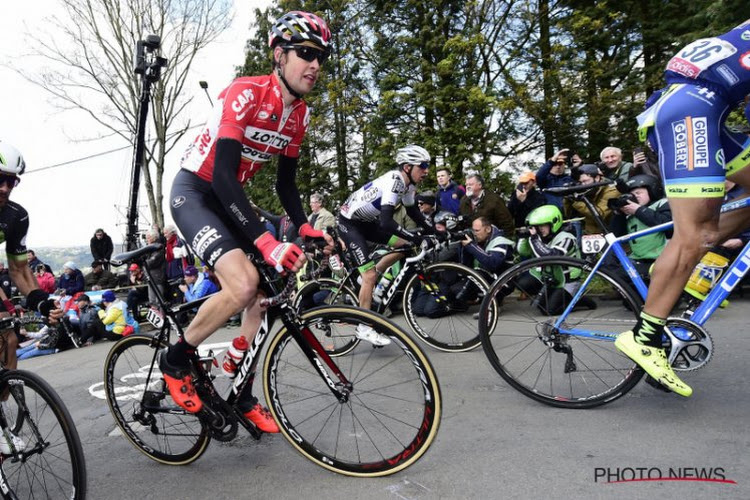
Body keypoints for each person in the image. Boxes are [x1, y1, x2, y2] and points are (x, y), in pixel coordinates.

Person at [161, 11, 335, 431]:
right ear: (279, 54)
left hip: (229, 199)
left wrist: (303, 225)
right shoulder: (245, 93)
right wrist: (265, 240)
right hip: (196, 192)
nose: (315, 65)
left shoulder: (301, 115)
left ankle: (241, 390)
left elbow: (287, 185)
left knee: (267, 293)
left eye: (321, 57)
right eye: (306, 54)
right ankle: (176, 357)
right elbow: (222, 177)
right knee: (242, 284)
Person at [617, 20, 750, 397]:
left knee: (702, 235)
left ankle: (686, 272)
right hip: (691, 111)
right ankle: (645, 336)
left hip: (702, 106)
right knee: (697, 234)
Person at [0, 141, 62, 453]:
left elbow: (19, 270)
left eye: (10, 181)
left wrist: (41, 301)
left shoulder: (15, 216)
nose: (3, 187)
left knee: (8, 339)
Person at [338, 144, 435, 344]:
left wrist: (435, 232)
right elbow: (387, 222)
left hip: (366, 224)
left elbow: (413, 213)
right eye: (422, 166)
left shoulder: (409, 185)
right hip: (349, 224)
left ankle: (367, 281)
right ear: (407, 167)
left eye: (427, 165)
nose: (426, 170)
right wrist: (415, 236)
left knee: (406, 245)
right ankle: (364, 327)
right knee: (370, 275)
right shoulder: (395, 181)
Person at [514, 205, 594, 314]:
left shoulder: (566, 237)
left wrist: (534, 239)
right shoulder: (542, 238)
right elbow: (524, 252)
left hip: (568, 281)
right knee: (524, 285)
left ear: (554, 223)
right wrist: (523, 238)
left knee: (550, 311)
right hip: (553, 279)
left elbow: (550, 256)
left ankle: (577, 299)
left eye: (543, 225)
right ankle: (560, 297)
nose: (540, 229)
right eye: (536, 226)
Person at [605, 175, 671, 286]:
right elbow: (615, 235)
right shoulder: (629, 213)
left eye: (638, 193)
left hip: (661, 260)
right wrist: (619, 214)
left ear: (652, 191)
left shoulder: (662, 203)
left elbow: (666, 224)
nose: (634, 197)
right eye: (632, 194)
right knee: (610, 269)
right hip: (637, 259)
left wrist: (638, 210)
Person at [563, 164, 619, 234]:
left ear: (597, 178)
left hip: (611, 233)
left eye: (586, 181)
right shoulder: (588, 191)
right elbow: (569, 215)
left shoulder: (611, 190)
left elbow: (601, 215)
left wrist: (577, 201)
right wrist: (568, 199)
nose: (583, 185)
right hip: (590, 234)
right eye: (581, 182)